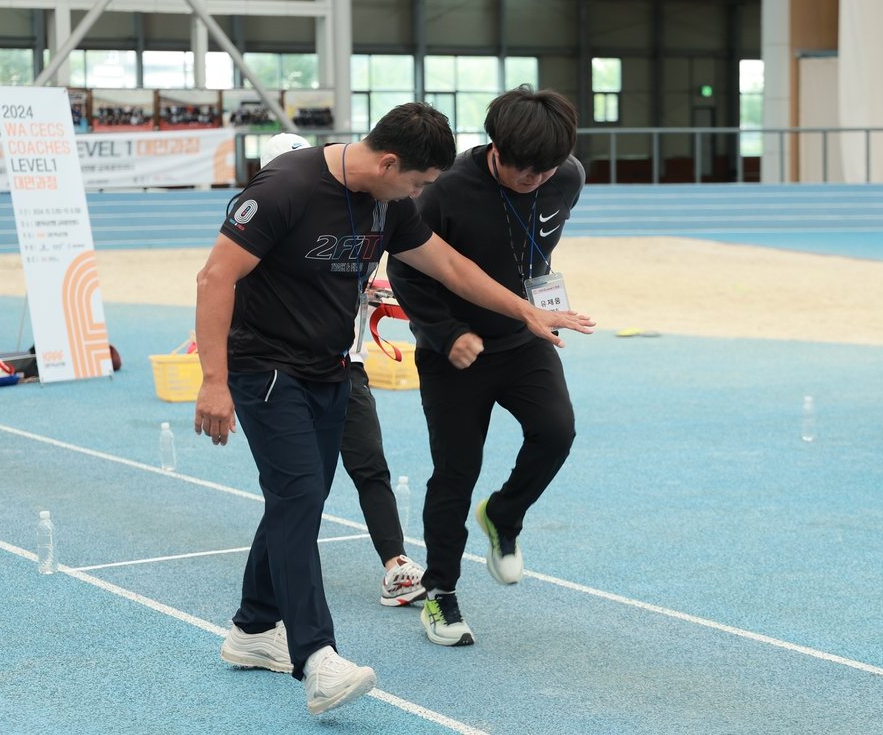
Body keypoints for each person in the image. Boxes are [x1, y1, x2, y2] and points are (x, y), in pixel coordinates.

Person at [194, 103, 593, 715]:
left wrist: (525, 310)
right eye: (419, 182)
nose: (423, 194)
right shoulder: (287, 189)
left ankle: (252, 629)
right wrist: (213, 381)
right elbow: (214, 277)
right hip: (265, 367)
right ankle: (317, 657)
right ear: (388, 162)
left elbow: (451, 266)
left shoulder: (389, 199)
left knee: (296, 497)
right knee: (299, 496)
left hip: (332, 367)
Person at [387, 86, 585, 647]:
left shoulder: (565, 176)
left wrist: (541, 308)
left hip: (523, 338)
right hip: (455, 352)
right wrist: (447, 332)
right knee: (456, 471)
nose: (536, 179)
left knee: (556, 431)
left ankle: (504, 514)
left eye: (546, 170)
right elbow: (405, 271)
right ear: (495, 146)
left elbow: (536, 249)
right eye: (524, 170)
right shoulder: (442, 192)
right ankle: (440, 594)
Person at [258, 131, 428, 608]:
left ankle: (395, 566)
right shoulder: (268, 222)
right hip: (279, 372)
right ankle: (275, 582)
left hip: (343, 366)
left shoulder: (352, 211)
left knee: (368, 463)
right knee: (297, 484)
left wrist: (366, 290)